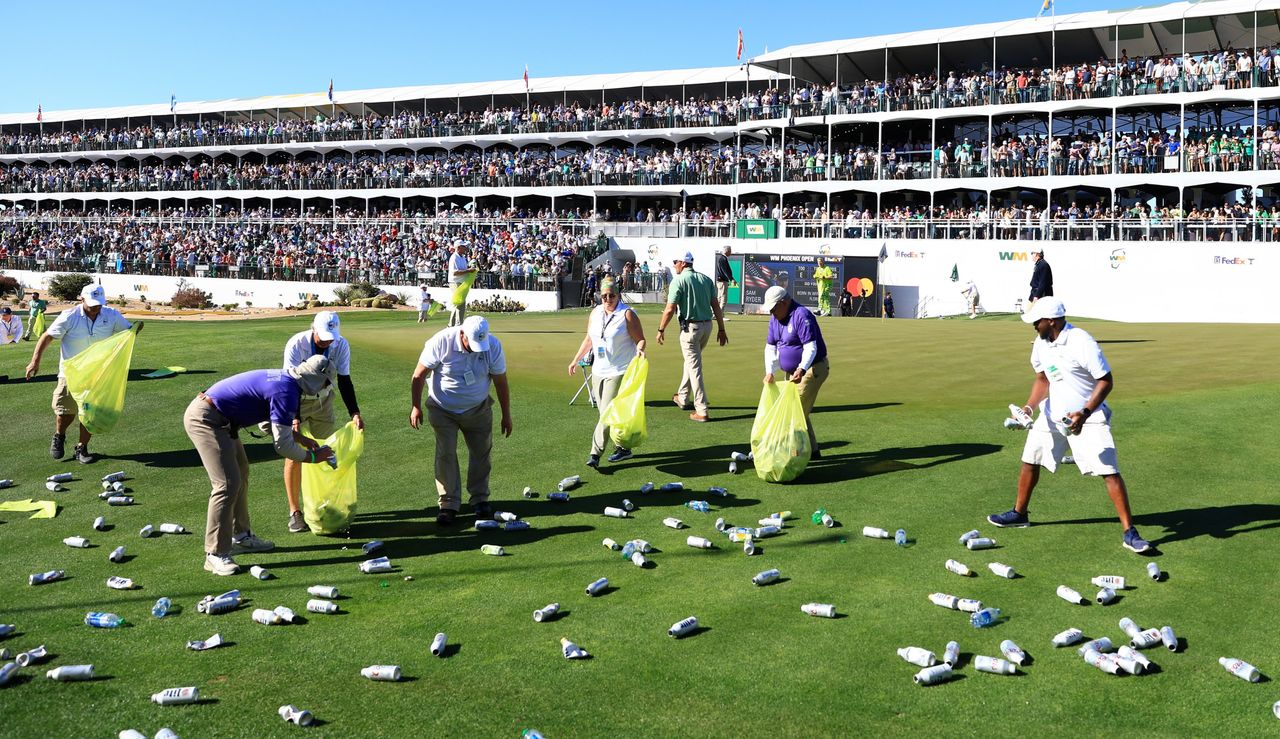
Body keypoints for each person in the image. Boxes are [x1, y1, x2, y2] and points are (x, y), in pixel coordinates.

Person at [986, 298, 1152, 554]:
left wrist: (1084, 413)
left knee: (1109, 470)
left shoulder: (1081, 342)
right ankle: (1020, 513)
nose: (1033, 326)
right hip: (1053, 413)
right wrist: (1029, 407)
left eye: (1037, 321)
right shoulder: (1041, 344)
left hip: (1089, 416)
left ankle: (1130, 532)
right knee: (1030, 459)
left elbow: (1106, 381)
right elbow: (1043, 379)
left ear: (1051, 320)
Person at [184, 355, 335, 576]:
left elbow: (268, 423)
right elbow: (282, 446)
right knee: (226, 484)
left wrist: (300, 439)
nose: (326, 388)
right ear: (315, 379)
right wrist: (314, 457)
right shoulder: (287, 391)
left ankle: (241, 536)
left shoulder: (287, 382)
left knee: (241, 472)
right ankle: (215, 554)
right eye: (326, 382)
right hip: (206, 419)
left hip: (222, 419)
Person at [410, 315, 513, 526]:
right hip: (442, 408)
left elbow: (501, 382)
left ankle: (480, 498)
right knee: (446, 453)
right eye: (472, 343)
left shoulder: (492, 346)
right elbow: (419, 375)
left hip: (478, 408)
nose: (477, 349)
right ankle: (448, 503)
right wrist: (416, 406)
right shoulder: (441, 341)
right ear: (462, 333)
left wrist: (506, 414)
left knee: (481, 453)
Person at [25, 284, 142, 464]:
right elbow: (47, 337)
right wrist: (35, 361)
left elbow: (127, 331)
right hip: (70, 372)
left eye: (99, 304)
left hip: (98, 374)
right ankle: (60, 435)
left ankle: (82, 447)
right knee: (65, 411)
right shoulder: (69, 316)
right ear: (82, 299)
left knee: (90, 413)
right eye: (92, 303)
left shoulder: (111, 315)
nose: (96, 308)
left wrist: (135, 328)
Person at [280, 311, 364, 533]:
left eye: (332, 335)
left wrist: (354, 412)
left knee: (326, 451)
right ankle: (295, 512)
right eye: (324, 335)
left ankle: (324, 504)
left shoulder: (341, 345)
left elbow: (344, 380)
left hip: (323, 401)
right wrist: (294, 417)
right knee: (294, 455)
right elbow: (288, 384)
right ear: (314, 329)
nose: (328, 340)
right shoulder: (296, 344)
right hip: (296, 399)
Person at [567, 278, 647, 468]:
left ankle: (595, 453)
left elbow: (641, 339)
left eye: (612, 295)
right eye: (604, 296)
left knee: (606, 413)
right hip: (598, 370)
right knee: (607, 412)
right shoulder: (595, 313)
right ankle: (624, 448)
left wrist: (641, 350)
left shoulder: (626, 314)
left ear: (618, 295)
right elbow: (589, 339)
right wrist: (575, 360)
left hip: (618, 370)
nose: (608, 299)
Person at [657, 251, 728, 422]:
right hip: (707, 327)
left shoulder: (678, 281)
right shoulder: (705, 279)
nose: (674, 265)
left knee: (694, 368)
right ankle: (682, 396)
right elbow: (716, 307)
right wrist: (721, 329)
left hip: (690, 328)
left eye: (675, 261)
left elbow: (669, 309)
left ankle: (702, 409)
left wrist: (661, 330)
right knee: (691, 363)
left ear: (683, 263)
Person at [761, 286, 829, 457]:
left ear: (783, 303)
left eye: (773, 308)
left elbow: (810, 347)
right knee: (799, 412)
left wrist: (802, 368)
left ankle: (792, 455)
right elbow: (770, 347)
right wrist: (770, 371)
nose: (772, 313)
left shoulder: (802, 315)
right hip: (793, 372)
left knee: (793, 413)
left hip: (812, 369)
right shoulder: (775, 318)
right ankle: (812, 451)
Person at [448, 241, 478, 327]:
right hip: (455, 282)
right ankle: (457, 324)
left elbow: (463, 270)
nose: (466, 248)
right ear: (458, 247)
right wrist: (469, 270)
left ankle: (453, 324)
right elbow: (455, 272)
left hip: (461, 282)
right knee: (459, 303)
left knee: (459, 303)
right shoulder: (454, 258)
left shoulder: (462, 257)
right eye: (464, 247)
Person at [714, 245, 733, 316]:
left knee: (719, 298)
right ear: (727, 251)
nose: (731, 252)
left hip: (720, 280)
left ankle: (716, 314)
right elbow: (725, 271)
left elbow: (725, 271)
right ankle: (720, 315)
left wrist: (731, 278)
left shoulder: (722, 258)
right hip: (722, 281)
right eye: (730, 250)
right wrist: (731, 279)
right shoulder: (723, 259)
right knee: (723, 298)